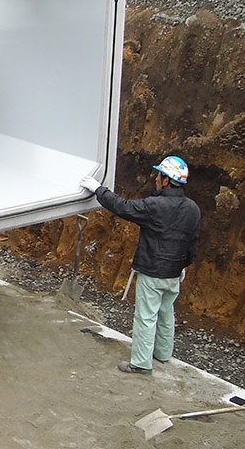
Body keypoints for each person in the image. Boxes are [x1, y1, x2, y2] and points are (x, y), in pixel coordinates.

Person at [80, 156, 201, 375]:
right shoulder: (192, 208)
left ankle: (141, 363)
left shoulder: (156, 206)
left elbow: (123, 207)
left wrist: (98, 190)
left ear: (166, 180)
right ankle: (163, 354)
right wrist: (183, 265)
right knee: (166, 312)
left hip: (153, 271)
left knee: (146, 317)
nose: (155, 178)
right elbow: (192, 242)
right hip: (174, 273)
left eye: (158, 175)